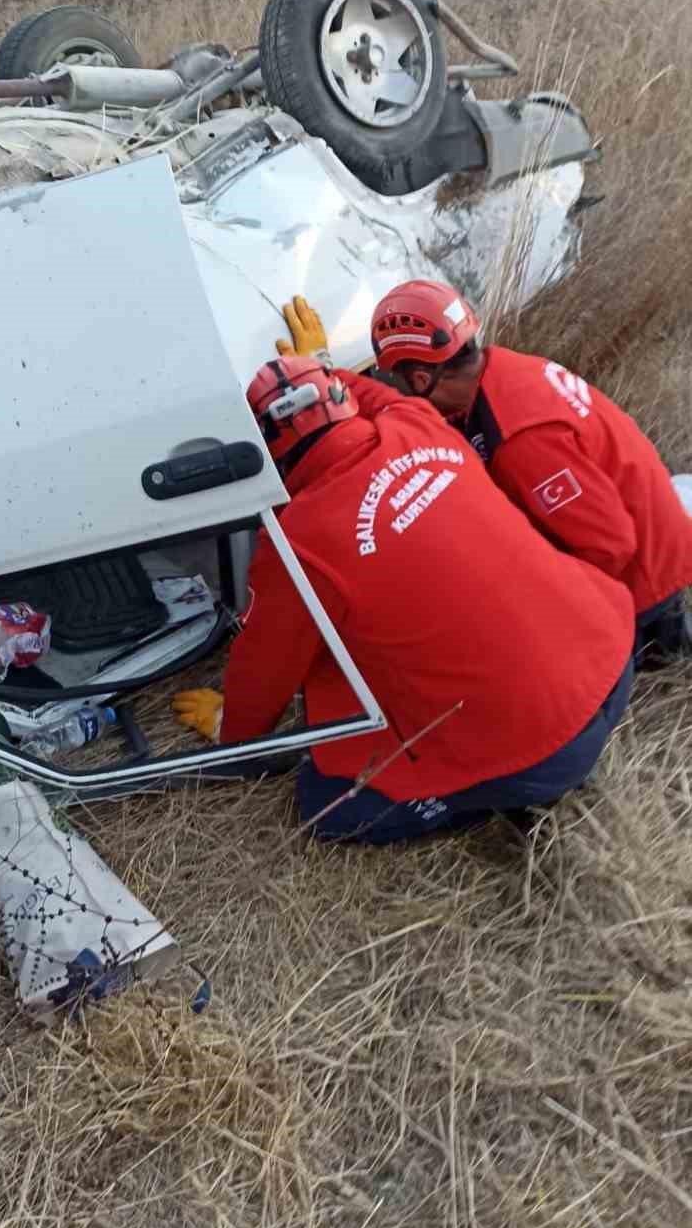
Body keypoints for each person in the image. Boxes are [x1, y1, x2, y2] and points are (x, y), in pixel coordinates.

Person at [173, 352, 634, 845]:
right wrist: (319, 369)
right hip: (611, 659)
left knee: (325, 807)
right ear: (344, 402)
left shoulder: (298, 545)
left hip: (546, 752)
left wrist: (232, 730)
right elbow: (379, 398)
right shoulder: (418, 426)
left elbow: (265, 668)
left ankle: (488, 798)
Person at [275, 288, 692, 670]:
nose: (398, 388)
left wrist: (538, 596)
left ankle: (655, 640)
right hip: (646, 536)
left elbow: (609, 547)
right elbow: (412, 418)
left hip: (641, 577)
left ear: (422, 378)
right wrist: (325, 379)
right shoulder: (499, 373)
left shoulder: (520, 440)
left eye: (397, 378)